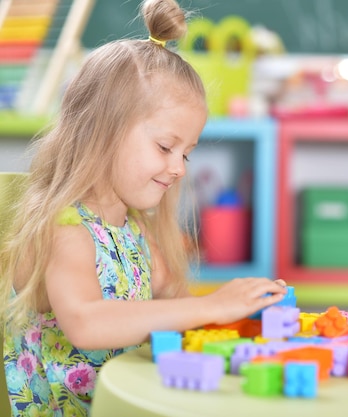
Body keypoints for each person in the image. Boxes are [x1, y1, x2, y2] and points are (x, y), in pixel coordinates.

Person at [0, 0, 287, 415]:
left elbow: (176, 301)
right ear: (101, 130)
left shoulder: (133, 231)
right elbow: (86, 322)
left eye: (186, 154)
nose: (178, 169)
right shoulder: (64, 230)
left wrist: (247, 321)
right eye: (166, 147)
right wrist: (211, 305)